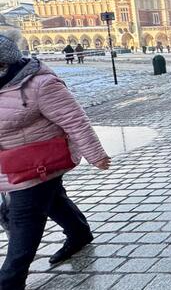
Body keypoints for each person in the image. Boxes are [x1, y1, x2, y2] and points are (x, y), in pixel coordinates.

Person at [0, 29, 111, 289]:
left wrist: (96, 155)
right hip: (10, 165)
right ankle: (79, 233)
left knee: (24, 222)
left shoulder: (40, 84)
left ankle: (9, 281)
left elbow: (75, 120)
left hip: (36, 165)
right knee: (53, 200)